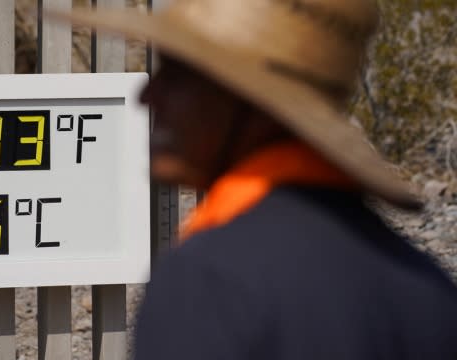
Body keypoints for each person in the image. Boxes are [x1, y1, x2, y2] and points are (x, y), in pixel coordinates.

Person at [51, 0, 457, 358]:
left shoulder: (208, 283)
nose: (148, 97)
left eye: (178, 76)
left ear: (252, 101)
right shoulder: (427, 286)